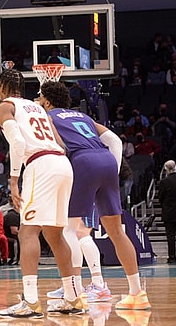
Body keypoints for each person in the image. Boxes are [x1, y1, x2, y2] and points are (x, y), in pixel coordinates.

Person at [39, 80, 149, 309]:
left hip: (82, 161)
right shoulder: (84, 117)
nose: (39, 102)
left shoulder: (49, 118)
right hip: (106, 159)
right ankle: (137, 294)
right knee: (117, 231)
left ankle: (74, 293)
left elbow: (59, 148)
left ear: (47, 102)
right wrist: (114, 170)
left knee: (69, 229)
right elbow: (115, 140)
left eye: (40, 99)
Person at [0, 69, 84, 319]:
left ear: (1, 87)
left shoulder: (4, 108)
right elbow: (62, 145)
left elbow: (19, 144)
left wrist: (13, 182)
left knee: (28, 231)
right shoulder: (39, 108)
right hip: (62, 164)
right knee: (55, 236)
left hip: (40, 164)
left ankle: (31, 301)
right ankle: (73, 297)